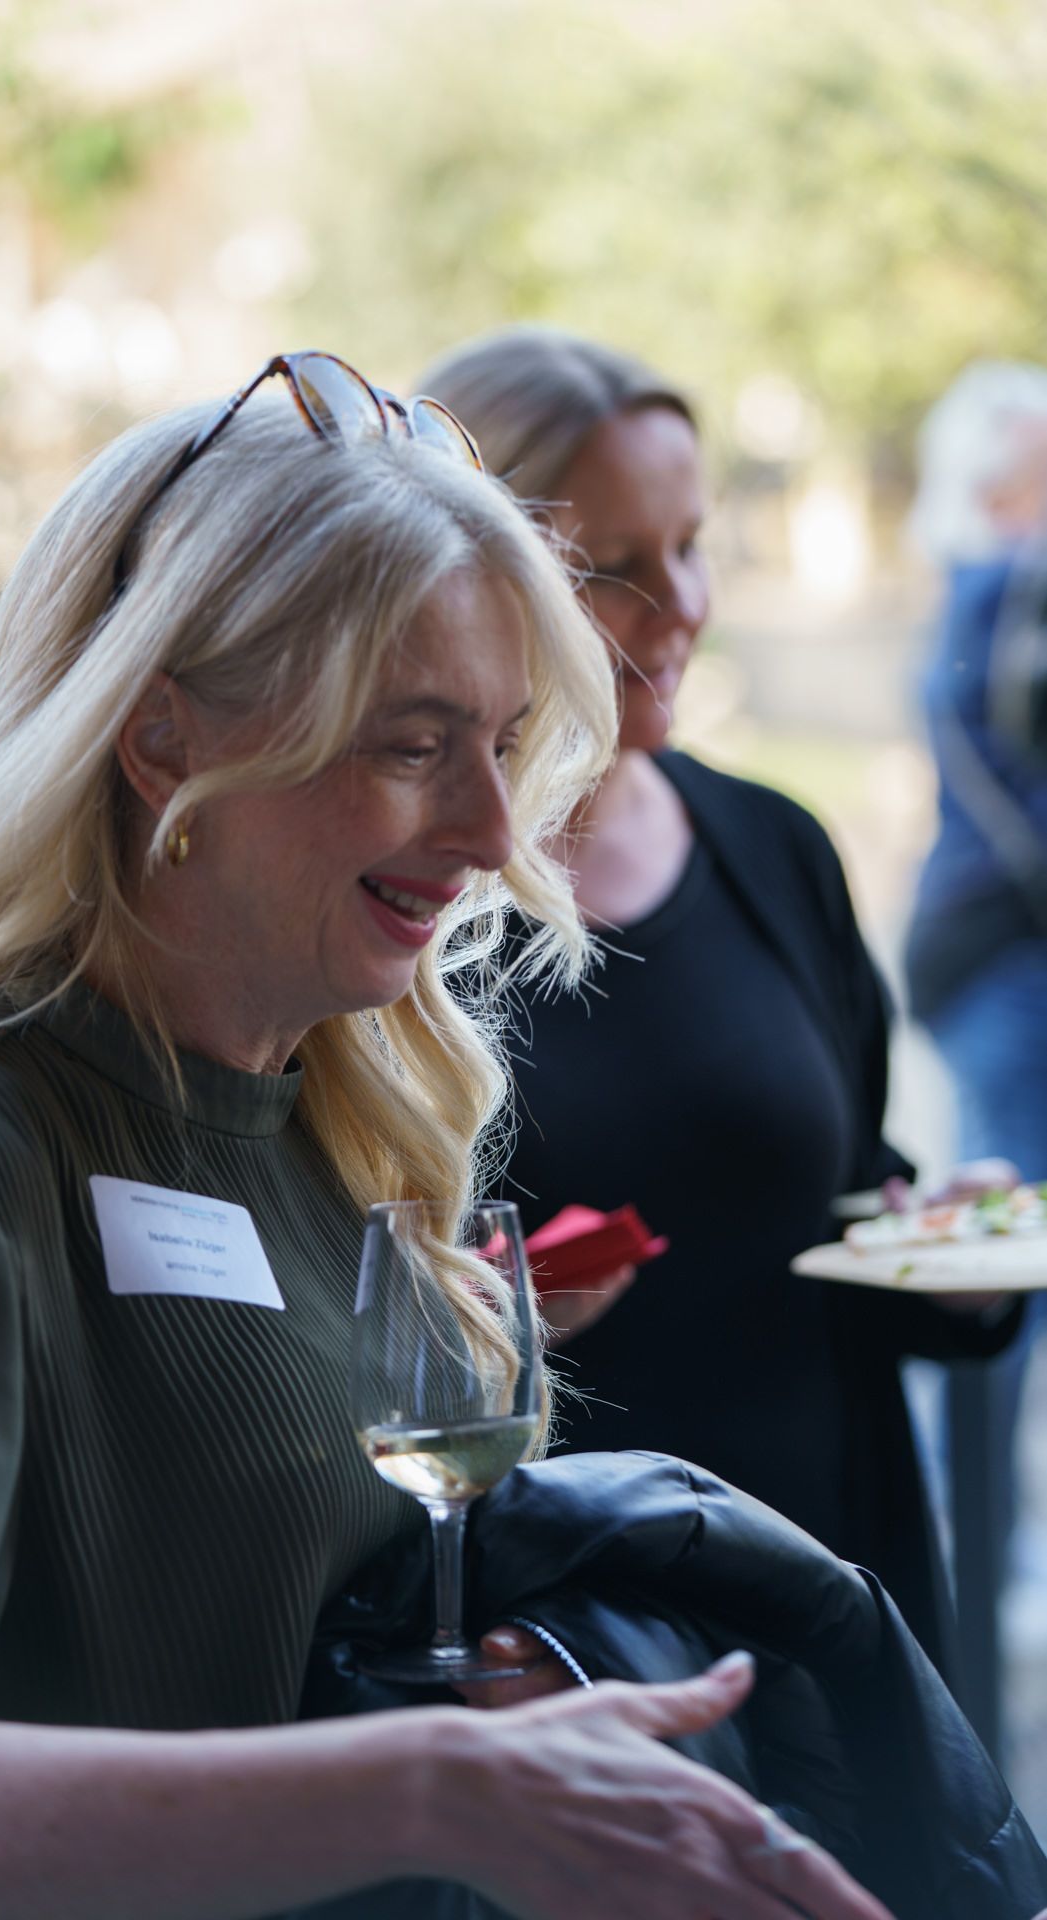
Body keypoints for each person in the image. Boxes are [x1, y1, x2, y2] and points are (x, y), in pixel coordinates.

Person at [0, 353, 891, 1920]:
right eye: (411, 744)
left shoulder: (328, 1105)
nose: (495, 835)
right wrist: (437, 1790)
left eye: (501, 744)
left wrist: (476, 1717)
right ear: (163, 743)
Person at [418, 325, 1024, 1676]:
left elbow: (836, 1207)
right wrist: (472, 1321)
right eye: (613, 572)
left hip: (828, 1601)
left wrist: (951, 1264)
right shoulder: (400, 895)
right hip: (561, 1645)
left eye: (689, 544)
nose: (681, 603)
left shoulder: (770, 846)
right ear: (464, 582)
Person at [902, 360, 1047, 1751]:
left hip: (999, 960)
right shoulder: (1003, 582)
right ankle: (969, 1543)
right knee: (1007, 1251)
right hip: (1005, 967)